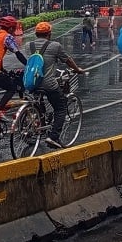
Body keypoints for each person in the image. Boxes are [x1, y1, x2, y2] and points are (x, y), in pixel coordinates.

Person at [28, 21, 85, 149]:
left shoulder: (29, 45)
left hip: (32, 83)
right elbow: (68, 60)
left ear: (36, 33)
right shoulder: (55, 46)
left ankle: (39, 124)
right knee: (61, 108)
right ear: (49, 34)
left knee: (38, 103)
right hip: (49, 83)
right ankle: (53, 137)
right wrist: (77, 69)